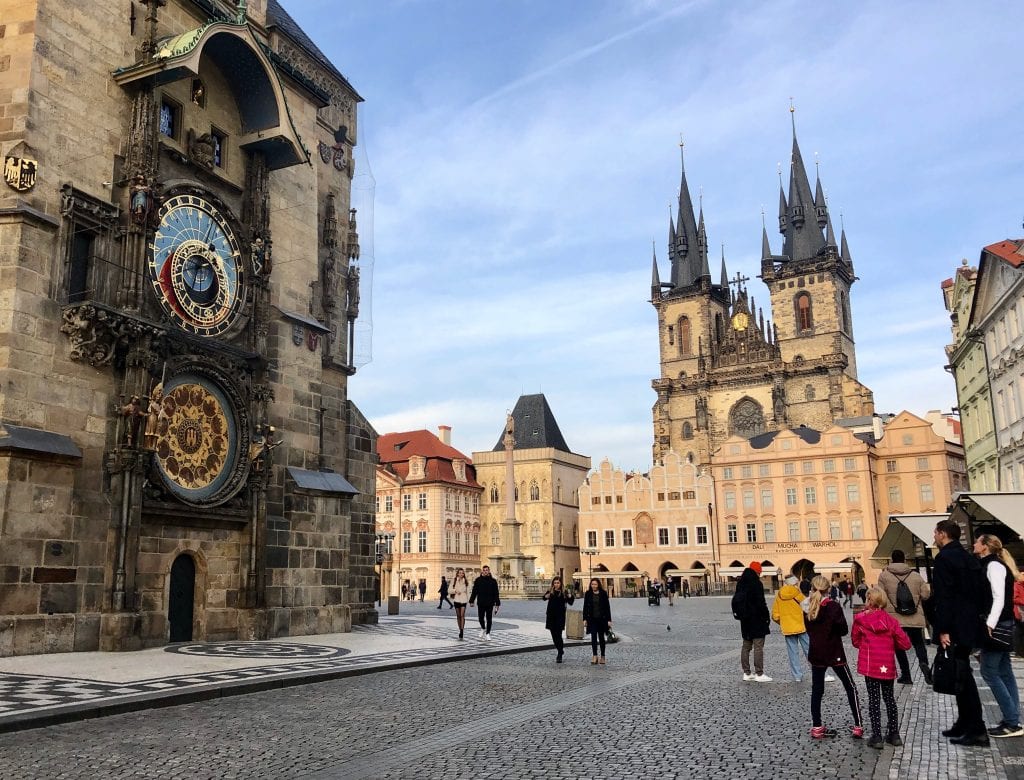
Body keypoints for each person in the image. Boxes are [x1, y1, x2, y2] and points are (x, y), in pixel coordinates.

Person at [932, 518, 988, 746]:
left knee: (962, 678)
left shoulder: (944, 559)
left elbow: (944, 598)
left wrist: (943, 629)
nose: (934, 537)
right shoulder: (967, 557)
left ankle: (976, 729)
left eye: (935, 533)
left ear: (943, 534)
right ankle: (965, 722)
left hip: (955, 625)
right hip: (969, 623)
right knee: (962, 674)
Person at [974, 533, 1024, 738]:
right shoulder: (996, 563)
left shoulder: (993, 565)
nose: (975, 544)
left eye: (978, 541)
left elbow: (998, 597)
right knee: (1004, 671)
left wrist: (990, 623)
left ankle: (1012, 721)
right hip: (1002, 622)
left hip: (997, 624)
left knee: (989, 671)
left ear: (985, 546)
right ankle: (1013, 719)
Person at [851, 587, 912, 749]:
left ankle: (877, 736)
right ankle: (894, 734)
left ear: (869, 601)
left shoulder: (860, 620)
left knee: (874, 700)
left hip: (871, 666)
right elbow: (905, 644)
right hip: (887, 666)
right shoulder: (891, 621)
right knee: (889, 699)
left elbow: (855, 641)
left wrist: (867, 644)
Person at [805, 575, 863, 739]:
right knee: (850, 687)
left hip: (816, 653)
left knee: (817, 691)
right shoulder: (833, 607)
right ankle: (858, 725)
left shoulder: (808, 607)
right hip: (834, 652)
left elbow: (809, 630)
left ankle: (817, 726)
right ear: (828, 589)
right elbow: (843, 629)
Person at [877, 549, 932, 685]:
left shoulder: (884, 576)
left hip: (895, 619)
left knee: (898, 646)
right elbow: (925, 594)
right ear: (905, 560)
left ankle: (906, 674)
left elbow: (880, 597)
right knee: (919, 643)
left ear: (891, 560)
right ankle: (924, 665)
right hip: (914, 616)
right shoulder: (916, 575)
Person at [733, 561, 771, 682]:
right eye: (760, 572)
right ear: (757, 571)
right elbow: (761, 603)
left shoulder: (741, 582)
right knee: (758, 646)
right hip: (757, 619)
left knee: (746, 646)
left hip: (745, 620)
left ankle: (746, 673)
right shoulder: (756, 583)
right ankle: (759, 673)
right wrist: (766, 616)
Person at [772, 575, 810, 682]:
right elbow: (807, 608)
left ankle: (797, 676)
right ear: (794, 583)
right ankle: (818, 672)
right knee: (809, 650)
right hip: (801, 627)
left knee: (793, 653)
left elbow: (775, 615)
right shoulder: (797, 593)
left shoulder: (779, 595)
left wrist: (783, 622)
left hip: (788, 628)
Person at [543, 576, 574, 663]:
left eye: (558, 583)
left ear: (561, 584)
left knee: (559, 635)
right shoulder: (551, 591)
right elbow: (543, 598)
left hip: (560, 616)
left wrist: (570, 595)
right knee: (553, 635)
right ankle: (560, 649)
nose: (556, 584)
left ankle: (559, 653)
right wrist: (546, 596)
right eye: (555, 583)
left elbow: (571, 602)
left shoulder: (564, 592)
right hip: (551, 616)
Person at [582, 578, 612, 664]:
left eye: (595, 584)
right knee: (593, 637)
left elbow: (607, 607)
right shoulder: (588, 594)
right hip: (592, 619)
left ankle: (603, 656)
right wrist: (584, 619)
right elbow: (585, 607)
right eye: (592, 584)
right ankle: (594, 656)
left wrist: (609, 620)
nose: (593, 586)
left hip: (602, 619)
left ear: (598, 584)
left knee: (601, 638)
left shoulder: (603, 594)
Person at [469, 565, 500, 641]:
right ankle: (483, 628)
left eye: (487, 570)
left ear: (489, 571)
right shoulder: (478, 580)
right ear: (482, 571)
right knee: (480, 618)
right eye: (484, 570)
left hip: (490, 603)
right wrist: (471, 600)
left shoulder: (493, 581)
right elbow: (474, 591)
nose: (485, 571)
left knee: (489, 619)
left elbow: (496, 593)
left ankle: (488, 633)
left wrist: (497, 604)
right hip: (481, 602)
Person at [450, 568, 469, 639]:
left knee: (462, 615)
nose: (461, 574)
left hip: (464, 600)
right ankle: (460, 629)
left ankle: (462, 631)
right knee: (458, 616)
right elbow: (449, 590)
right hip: (457, 600)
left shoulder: (466, 581)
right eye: (460, 573)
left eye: (462, 573)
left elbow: (468, 591)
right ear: (458, 573)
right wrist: (455, 591)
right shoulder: (454, 580)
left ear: (464, 574)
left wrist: (470, 601)